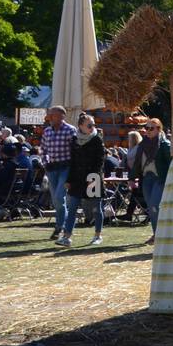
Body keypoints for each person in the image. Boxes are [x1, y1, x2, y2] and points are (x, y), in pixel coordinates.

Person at [59, 113, 105, 247]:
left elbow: (100, 160)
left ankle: (98, 235)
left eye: (93, 125)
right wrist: (69, 179)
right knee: (72, 207)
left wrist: (94, 177)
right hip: (77, 179)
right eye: (89, 125)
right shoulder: (74, 140)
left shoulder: (97, 139)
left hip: (93, 177)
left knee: (96, 208)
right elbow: (72, 162)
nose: (92, 128)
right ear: (80, 126)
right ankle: (66, 237)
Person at [40, 106, 77, 240]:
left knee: (58, 197)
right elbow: (43, 149)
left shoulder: (70, 130)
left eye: (52, 115)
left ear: (62, 116)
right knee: (56, 201)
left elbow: (75, 151)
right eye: (49, 115)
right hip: (51, 168)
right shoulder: (47, 131)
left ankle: (59, 226)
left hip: (65, 167)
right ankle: (61, 225)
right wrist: (45, 162)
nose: (49, 117)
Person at [135, 118, 171, 244]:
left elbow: (170, 163)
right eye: (147, 128)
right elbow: (137, 163)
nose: (148, 131)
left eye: (151, 128)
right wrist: (131, 178)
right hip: (146, 178)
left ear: (158, 130)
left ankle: (160, 235)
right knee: (151, 207)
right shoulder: (142, 144)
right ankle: (156, 234)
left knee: (155, 205)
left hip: (159, 178)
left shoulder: (164, 144)